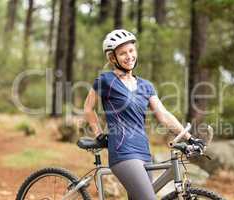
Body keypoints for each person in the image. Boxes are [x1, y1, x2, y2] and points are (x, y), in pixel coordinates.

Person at [84, 29, 205, 200]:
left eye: (131, 51)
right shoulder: (106, 81)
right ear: (113, 58)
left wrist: (189, 138)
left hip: (144, 153)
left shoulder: (146, 86)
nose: (129, 56)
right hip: (122, 152)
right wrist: (98, 134)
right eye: (122, 53)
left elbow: (163, 115)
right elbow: (88, 108)